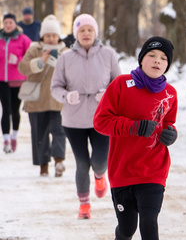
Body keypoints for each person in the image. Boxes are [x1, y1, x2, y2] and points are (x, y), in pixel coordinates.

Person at [94, 37, 178, 240]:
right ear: (141, 59)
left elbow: (169, 125)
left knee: (150, 222)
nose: (158, 61)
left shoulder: (170, 94)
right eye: (152, 56)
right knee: (128, 226)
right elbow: (101, 121)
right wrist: (132, 127)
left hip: (154, 168)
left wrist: (170, 135)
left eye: (163, 58)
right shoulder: (121, 85)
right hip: (123, 170)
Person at [51, 14, 121, 219]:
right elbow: (55, 87)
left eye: (90, 30)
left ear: (95, 32)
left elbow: (119, 83)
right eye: (82, 30)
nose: (86, 33)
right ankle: (84, 205)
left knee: (99, 162)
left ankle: (100, 176)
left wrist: (108, 94)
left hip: (103, 118)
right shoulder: (65, 57)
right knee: (82, 162)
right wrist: (66, 96)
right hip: (73, 120)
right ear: (76, 34)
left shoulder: (108, 54)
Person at [18, 15, 67, 176]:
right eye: (48, 35)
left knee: (59, 130)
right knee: (40, 133)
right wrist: (40, 61)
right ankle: (43, 165)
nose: (51, 38)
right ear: (42, 36)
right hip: (37, 99)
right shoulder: (34, 50)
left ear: (58, 36)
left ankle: (59, 160)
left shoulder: (65, 51)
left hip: (57, 100)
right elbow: (22, 68)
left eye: (54, 35)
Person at [1, 13, 32, 153]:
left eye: (10, 22)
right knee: (5, 110)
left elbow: (30, 58)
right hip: (2, 80)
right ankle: (6, 140)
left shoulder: (23, 39)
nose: (8, 25)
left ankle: (14, 136)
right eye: (5, 22)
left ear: (15, 24)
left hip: (18, 79)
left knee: (15, 110)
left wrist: (18, 60)